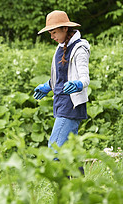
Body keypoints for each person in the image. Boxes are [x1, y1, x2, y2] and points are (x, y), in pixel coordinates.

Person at [33, 10, 90, 157]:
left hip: (71, 105)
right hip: (60, 103)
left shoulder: (79, 48)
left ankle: (59, 180)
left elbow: (85, 79)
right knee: (71, 152)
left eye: (54, 32)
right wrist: (48, 86)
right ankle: (77, 181)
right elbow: (61, 77)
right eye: (50, 33)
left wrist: (77, 84)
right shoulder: (59, 48)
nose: (52, 37)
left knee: (55, 149)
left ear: (65, 28)